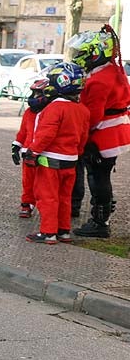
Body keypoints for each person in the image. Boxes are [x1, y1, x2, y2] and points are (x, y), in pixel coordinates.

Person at [67, 26, 130, 238]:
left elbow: (91, 116)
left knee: (98, 177)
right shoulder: (112, 70)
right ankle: (103, 210)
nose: (79, 57)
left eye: (83, 53)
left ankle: (100, 222)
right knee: (101, 175)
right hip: (114, 131)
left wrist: (82, 138)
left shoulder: (99, 80)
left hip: (103, 134)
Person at [24, 63, 90, 244]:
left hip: (50, 160)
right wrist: (77, 153)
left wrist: (33, 151)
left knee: (47, 197)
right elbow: (83, 137)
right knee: (64, 197)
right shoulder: (83, 110)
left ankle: (48, 232)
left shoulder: (54, 108)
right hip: (71, 161)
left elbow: (46, 134)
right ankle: (63, 231)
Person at [12, 79, 51, 219]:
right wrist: (16, 146)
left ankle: (45, 209)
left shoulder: (50, 112)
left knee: (44, 184)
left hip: (45, 154)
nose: (34, 97)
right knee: (27, 181)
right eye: (33, 93)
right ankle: (26, 204)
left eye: (38, 94)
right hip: (27, 153)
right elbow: (23, 132)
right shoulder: (29, 112)